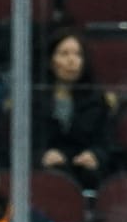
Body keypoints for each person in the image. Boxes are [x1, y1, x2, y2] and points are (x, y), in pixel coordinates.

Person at [32, 28, 120, 188]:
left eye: (78, 54)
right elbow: (20, 143)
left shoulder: (97, 100)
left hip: (85, 171)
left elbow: (106, 141)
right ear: (51, 61)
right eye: (64, 54)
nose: (72, 60)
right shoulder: (34, 99)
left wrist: (95, 155)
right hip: (46, 171)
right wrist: (39, 156)